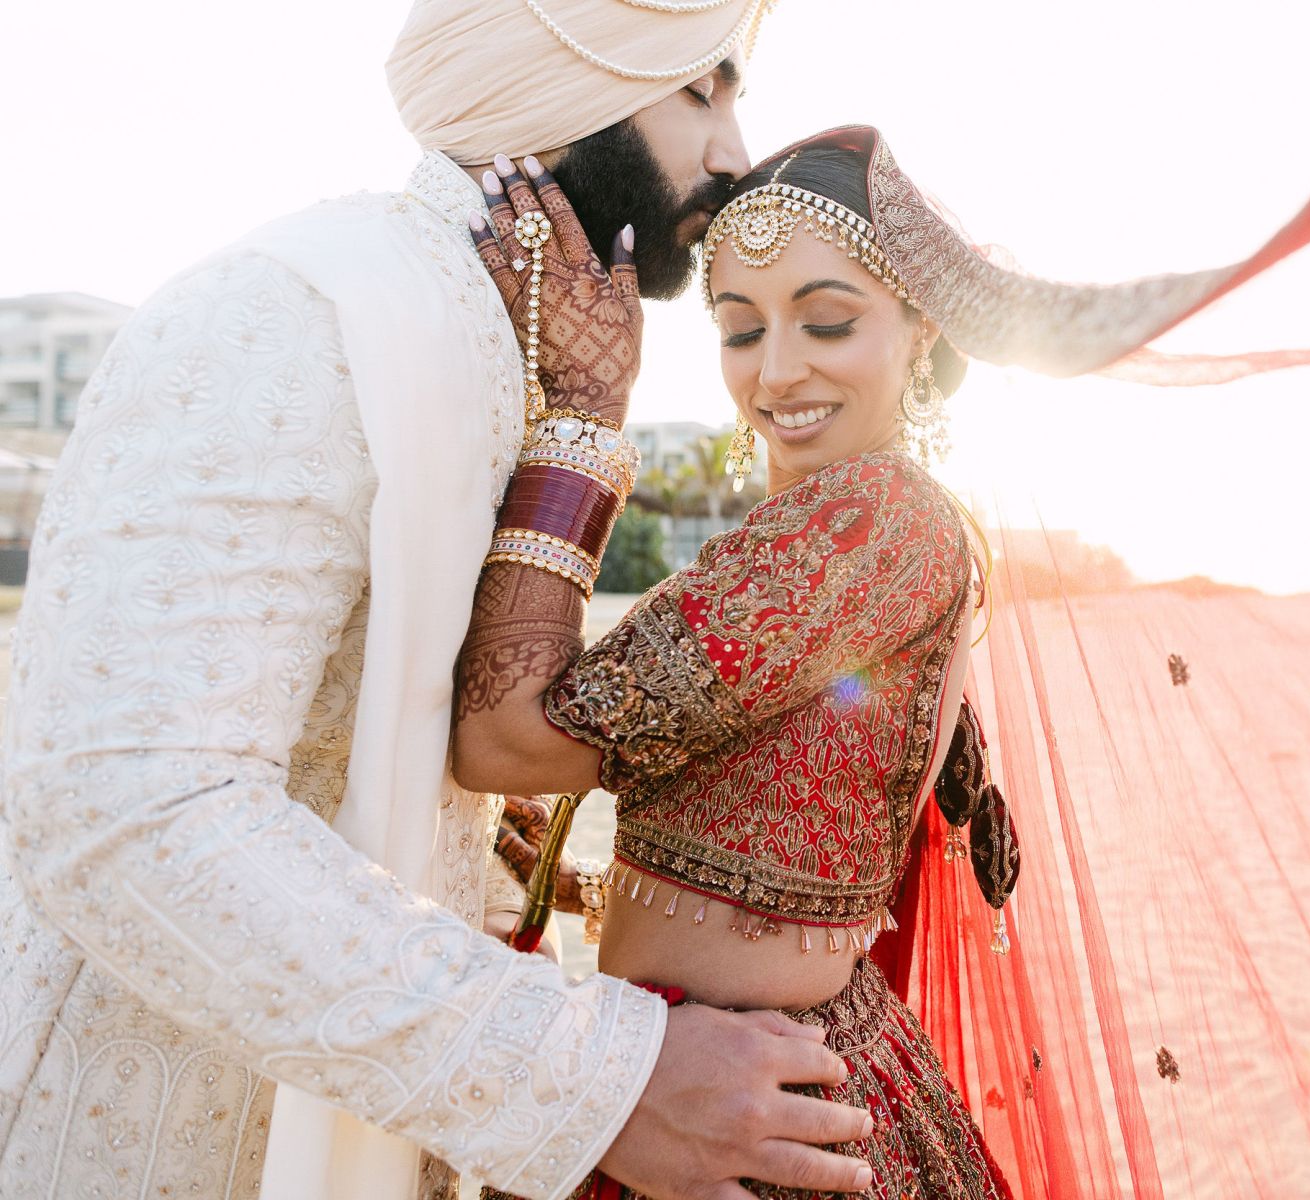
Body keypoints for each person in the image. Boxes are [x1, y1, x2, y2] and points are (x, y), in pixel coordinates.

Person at [0, 6, 880, 1200]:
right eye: (701, 91)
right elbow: (127, 805)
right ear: (565, 81)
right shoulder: (294, 314)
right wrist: (597, 1080)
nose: (733, 153)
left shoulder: (509, 346)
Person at [454, 123, 1279, 1199]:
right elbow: (796, 848)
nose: (777, 370)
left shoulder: (870, 523)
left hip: (749, 1113)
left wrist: (580, 419)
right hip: (754, 1083)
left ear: (920, 330)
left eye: (828, 321)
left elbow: (506, 734)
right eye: (738, 329)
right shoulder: (864, 532)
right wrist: (579, 887)